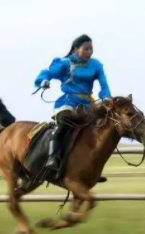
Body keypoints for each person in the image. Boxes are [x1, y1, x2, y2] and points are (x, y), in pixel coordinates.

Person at [34, 34, 112, 174]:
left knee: (100, 129)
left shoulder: (96, 65)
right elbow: (47, 73)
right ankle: (53, 158)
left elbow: (104, 85)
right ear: (76, 49)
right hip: (67, 102)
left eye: (91, 49)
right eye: (86, 49)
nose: (89, 52)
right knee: (64, 126)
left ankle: (92, 168)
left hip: (88, 104)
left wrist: (106, 97)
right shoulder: (65, 63)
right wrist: (44, 81)